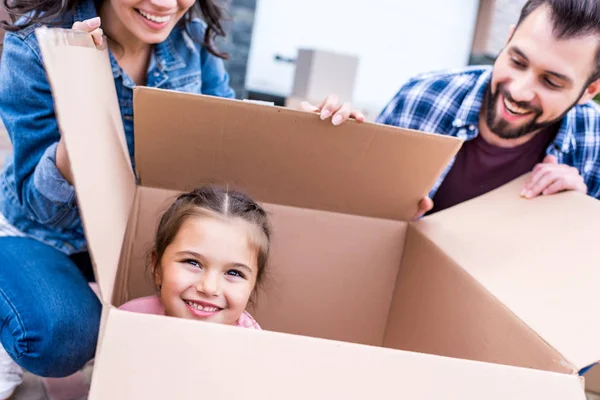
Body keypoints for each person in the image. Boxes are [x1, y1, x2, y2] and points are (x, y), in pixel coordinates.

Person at [0, 0, 363, 397]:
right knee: (58, 335)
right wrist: (72, 150)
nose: (163, 4)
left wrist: (311, 135)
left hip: (140, 238)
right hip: (46, 236)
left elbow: (233, 150)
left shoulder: (192, 44)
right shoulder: (37, 47)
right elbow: (40, 208)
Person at [377, 0, 600, 219]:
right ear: (508, 39)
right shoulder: (421, 97)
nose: (518, 91)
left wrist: (578, 214)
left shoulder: (595, 139)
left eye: (550, 82)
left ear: (589, 90)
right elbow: (357, 206)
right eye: (517, 62)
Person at [119, 185, 270, 330]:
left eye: (234, 273)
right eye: (193, 262)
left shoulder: (253, 348)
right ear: (157, 267)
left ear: (252, 286)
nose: (209, 288)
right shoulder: (129, 319)